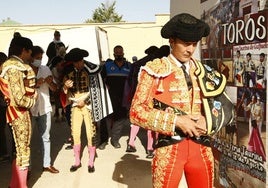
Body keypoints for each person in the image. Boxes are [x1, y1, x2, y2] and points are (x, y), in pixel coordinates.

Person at [129, 13, 214, 187]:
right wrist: (176, 121)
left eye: (194, 44)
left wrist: (209, 119)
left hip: (201, 147)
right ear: (172, 41)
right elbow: (136, 112)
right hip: (169, 147)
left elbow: (220, 106)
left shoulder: (204, 71)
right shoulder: (153, 70)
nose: (190, 50)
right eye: (185, 43)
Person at [62, 48, 112, 173]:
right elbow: (64, 91)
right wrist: (65, 86)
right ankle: (77, 161)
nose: (77, 64)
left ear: (82, 60)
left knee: (91, 133)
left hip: (88, 104)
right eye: (75, 62)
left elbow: (96, 90)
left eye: (79, 62)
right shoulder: (68, 73)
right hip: (74, 105)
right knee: (75, 133)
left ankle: (90, 161)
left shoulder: (91, 71)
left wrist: (85, 100)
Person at [0, 36, 37, 188]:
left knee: (20, 149)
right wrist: (33, 100)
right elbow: (18, 99)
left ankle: (14, 184)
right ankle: (21, 185)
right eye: (29, 52)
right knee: (23, 151)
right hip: (19, 113)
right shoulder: (14, 67)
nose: (30, 56)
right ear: (24, 50)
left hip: (17, 113)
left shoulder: (11, 65)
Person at [126, 45, 170, 158]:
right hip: (156, 96)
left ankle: (131, 142)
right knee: (153, 120)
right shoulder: (164, 65)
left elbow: (131, 81)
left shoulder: (139, 63)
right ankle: (151, 148)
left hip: (139, 93)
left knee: (138, 118)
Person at [29, 46, 59, 174]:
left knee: (46, 137)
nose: (39, 60)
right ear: (31, 57)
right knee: (27, 140)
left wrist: (50, 82)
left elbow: (54, 88)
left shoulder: (45, 69)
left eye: (41, 58)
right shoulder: (25, 71)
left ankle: (46, 164)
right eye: (37, 58)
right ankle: (27, 168)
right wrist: (36, 84)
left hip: (44, 108)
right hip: (29, 109)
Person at [100, 45, 132, 149]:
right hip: (109, 98)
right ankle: (103, 141)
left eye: (120, 53)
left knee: (120, 120)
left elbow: (132, 82)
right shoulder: (107, 66)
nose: (118, 55)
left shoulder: (129, 66)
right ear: (113, 54)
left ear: (123, 53)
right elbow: (101, 79)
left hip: (123, 98)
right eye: (116, 53)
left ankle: (115, 140)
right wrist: (105, 87)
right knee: (106, 120)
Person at [0, 52, 9, 162]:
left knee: (2, 129)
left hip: (3, 105)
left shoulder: (5, 74)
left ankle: (5, 153)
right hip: (3, 104)